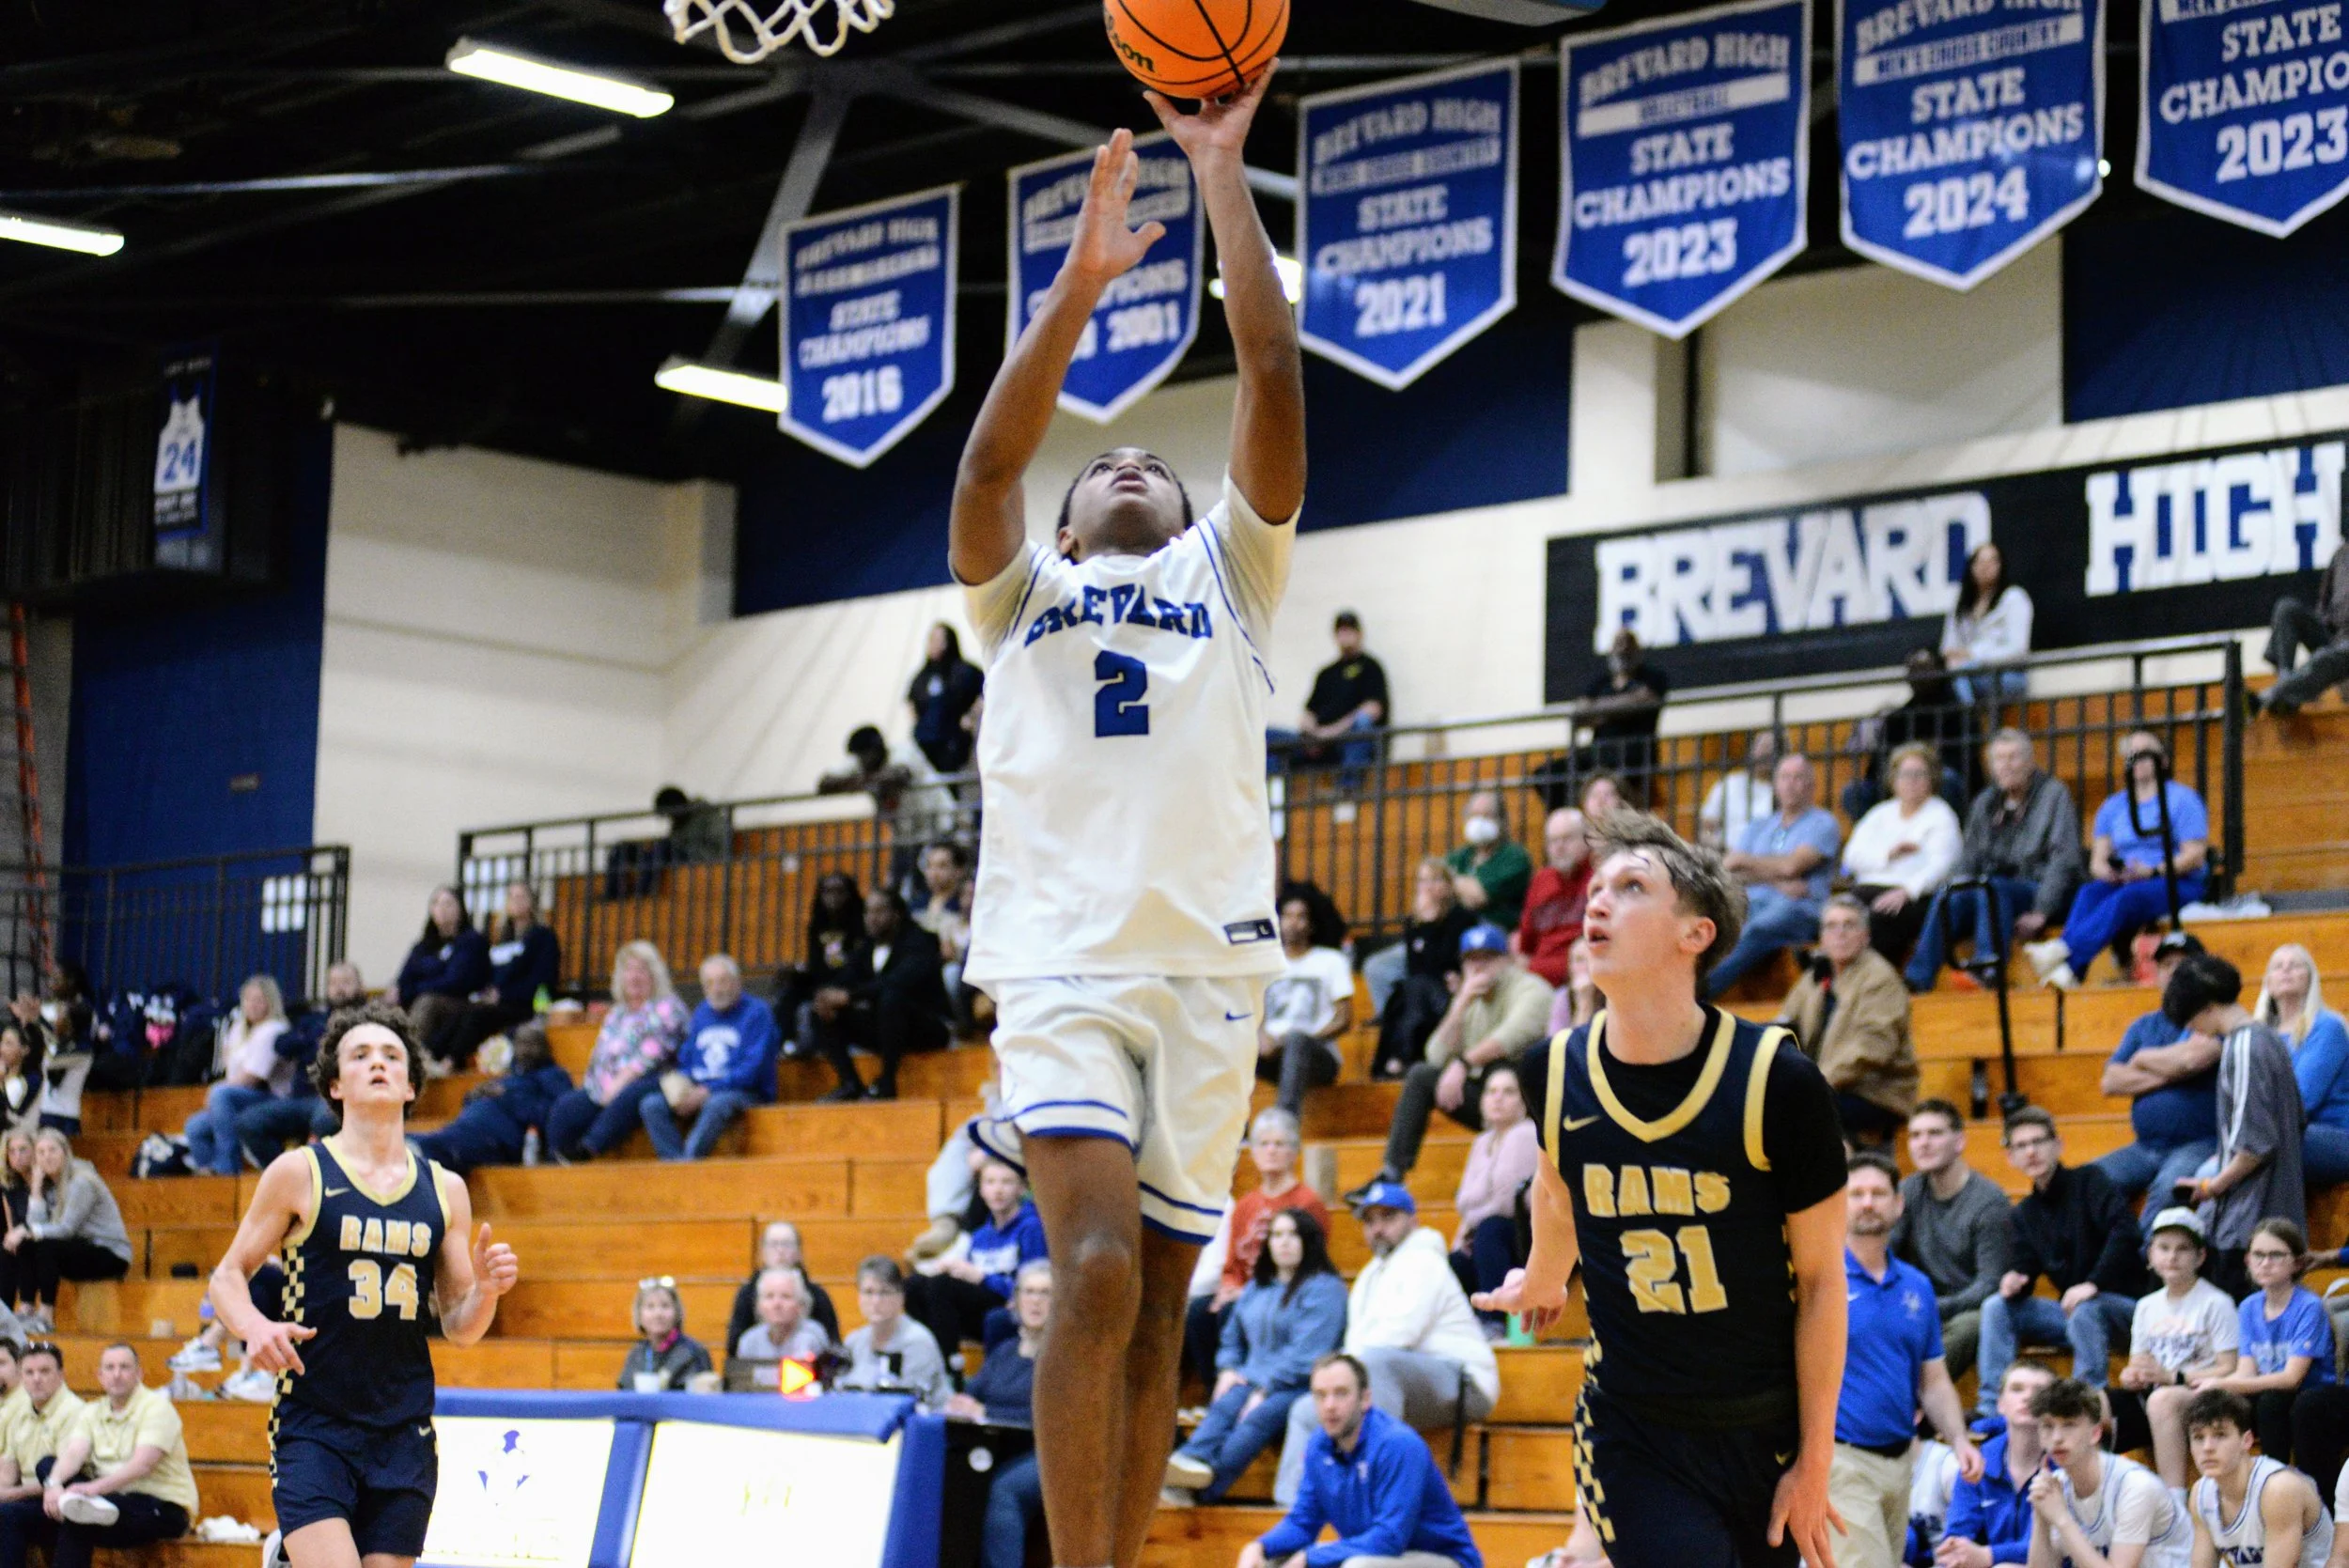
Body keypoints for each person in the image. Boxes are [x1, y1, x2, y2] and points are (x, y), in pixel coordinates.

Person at [950, 82, 1304, 1568]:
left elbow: (1269, 369)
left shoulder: (1234, 575)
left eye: (1156, 460)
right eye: (1103, 464)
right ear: (1067, 522)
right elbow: (986, 469)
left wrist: (1221, 170)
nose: (1132, 462)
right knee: (1092, 1269)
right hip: (1061, 964)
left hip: (1213, 970)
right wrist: (1081, 289)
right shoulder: (1016, 593)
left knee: (1159, 1312)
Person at [1485, 809, 1851, 1568]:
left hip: (1763, 1427)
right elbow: (1557, 1192)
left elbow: (1821, 1282)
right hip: (1634, 1429)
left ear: (1696, 933)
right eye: (1597, 887)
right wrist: (1544, 1276)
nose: (1598, 900)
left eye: (1632, 886)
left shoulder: (1777, 1082)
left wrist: (1815, 1462)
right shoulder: (1553, 1070)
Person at [209, 1001, 520, 1568]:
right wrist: (253, 1326)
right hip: (314, 1421)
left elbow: (460, 1326)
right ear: (335, 1084)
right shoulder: (299, 1172)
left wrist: (487, 1292)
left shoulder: (445, 1189)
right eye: (360, 1055)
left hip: (403, 1429)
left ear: (411, 1085)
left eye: (392, 1055)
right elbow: (228, 1275)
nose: (378, 1063)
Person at [1274, 1184, 1498, 1506]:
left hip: (1465, 1382)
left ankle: (1374, 1494)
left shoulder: (1426, 1262)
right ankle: (1290, 1509)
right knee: (1305, 1409)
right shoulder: (1368, 1275)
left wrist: (1347, 1381)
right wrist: (1336, 1388)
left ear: (1413, 1221)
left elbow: (1401, 1335)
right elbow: (1356, 1345)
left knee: (1376, 1365)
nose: (1378, 1228)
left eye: (1388, 1217)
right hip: (1400, 1381)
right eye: (1370, 1221)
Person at [1835, 1153, 1983, 1568]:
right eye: (1856, 1194)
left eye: (1878, 1193)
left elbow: (1932, 1380)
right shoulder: (1819, 1279)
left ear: (1898, 1204)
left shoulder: (1916, 1286)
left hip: (1902, 1461)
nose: (1868, 1203)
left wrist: (1958, 1439)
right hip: (1840, 1457)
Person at [1348, 924, 1552, 1202]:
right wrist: (1460, 1004)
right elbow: (1435, 1055)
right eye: (1471, 960)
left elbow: (1512, 1037)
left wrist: (1462, 1064)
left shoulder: (1531, 988)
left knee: (1499, 1070)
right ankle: (1391, 1174)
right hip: (1491, 1098)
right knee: (1422, 1075)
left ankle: (1498, 1174)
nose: (1479, 967)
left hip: (1532, 1104)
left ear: (1507, 960)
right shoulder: (1472, 999)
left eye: (1488, 958)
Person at [1163, 1208, 1346, 1504]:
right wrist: (1227, 1368)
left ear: (1309, 1241)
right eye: (1277, 1235)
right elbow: (1232, 1336)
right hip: (1251, 1377)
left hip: (1299, 1384)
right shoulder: (1257, 1287)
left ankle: (1201, 1492)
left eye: (1293, 1235)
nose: (1284, 1242)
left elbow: (1309, 1353)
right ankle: (1184, 1467)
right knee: (1225, 1406)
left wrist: (1265, 1389)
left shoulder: (1326, 1289)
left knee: (1255, 1419)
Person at [1976, 1108, 2146, 1415]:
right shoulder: (2024, 1213)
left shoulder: (2090, 1181)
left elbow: (2126, 1232)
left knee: (2085, 1309)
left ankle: (2083, 1405)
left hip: (2124, 1309)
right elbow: (2027, 1265)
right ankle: (1991, 1410)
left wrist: (2094, 1284)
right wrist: (2016, 1279)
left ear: (2058, 1145)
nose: (2031, 1152)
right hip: (2074, 1314)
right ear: (2010, 1157)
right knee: (1996, 1307)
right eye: (2021, 1146)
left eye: (2038, 1141)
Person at [1249, 1353, 1485, 1568]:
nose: (1329, 1405)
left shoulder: (1397, 1444)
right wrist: (1260, 1546)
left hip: (1445, 1559)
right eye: (1320, 1395)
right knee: (1274, 1561)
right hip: (1380, 1555)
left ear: (1365, 1399)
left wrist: (1310, 1558)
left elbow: (1389, 1539)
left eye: (1341, 1393)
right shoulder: (1318, 1446)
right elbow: (1303, 1522)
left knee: (1358, 1566)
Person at [2023, 732, 2209, 991]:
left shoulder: (2183, 799)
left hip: (2175, 880)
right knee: (2089, 892)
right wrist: (2110, 873)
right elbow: (2097, 862)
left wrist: (2153, 871)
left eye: (2146, 754)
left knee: (2126, 898)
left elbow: (2194, 855)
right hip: (2128, 879)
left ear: (2163, 760)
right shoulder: (2113, 806)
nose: (2138, 761)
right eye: (2132, 755)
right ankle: (2070, 969)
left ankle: (2066, 953)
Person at [1905, 729, 2082, 993]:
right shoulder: (1985, 802)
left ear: (2030, 762)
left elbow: (2064, 859)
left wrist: (2042, 910)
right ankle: (1917, 978)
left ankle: (1988, 968)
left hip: (2039, 889)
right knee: (1948, 894)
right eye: (2000, 759)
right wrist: (1957, 888)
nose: (2006, 765)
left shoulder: (2054, 794)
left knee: (1992, 887)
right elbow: (1969, 858)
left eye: (2013, 757)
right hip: (1992, 890)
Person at [2169, 954, 2305, 1295]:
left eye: (2190, 1018)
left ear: (2207, 1006)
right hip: (2275, 1223)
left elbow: (2254, 1146)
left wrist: (2211, 1186)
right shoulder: (2270, 1038)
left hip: (2251, 1226)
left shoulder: (2244, 1046)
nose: (2190, 1029)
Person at [5, 1341, 189, 1568]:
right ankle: (88, 1504)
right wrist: (53, 1484)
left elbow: (142, 1465)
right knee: (53, 1473)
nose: (117, 1374)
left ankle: (89, 1504)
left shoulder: (157, 1408)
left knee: (81, 1514)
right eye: (110, 1368)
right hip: (110, 1501)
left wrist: (93, 1490)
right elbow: (74, 1453)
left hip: (160, 1506)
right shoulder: (93, 1411)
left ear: (139, 1374)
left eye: (124, 1367)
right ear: (100, 1376)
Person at [1183, 1109, 1330, 1391]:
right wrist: (1229, 1286)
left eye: (1280, 1144)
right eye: (1263, 1144)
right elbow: (1232, 1265)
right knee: (1200, 1313)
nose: (1271, 1150)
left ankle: (1246, 1389)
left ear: (1294, 1152)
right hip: (1244, 1291)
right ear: (1253, 1152)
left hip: (1287, 1291)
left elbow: (1313, 1262)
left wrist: (1249, 1292)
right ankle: (1217, 1391)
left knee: (1232, 1312)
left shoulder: (1307, 1203)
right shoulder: (1245, 1205)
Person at [2092, 932, 2222, 1232]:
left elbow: (2192, 1060)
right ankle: (2115, 1254)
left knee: (2168, 1189)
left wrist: (2141, 1059)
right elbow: (2111, 1082)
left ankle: (2146, 1261)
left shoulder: (2213, 1017)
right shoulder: (2144, 1025)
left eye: (2182, 963)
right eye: (2166, 965)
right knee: (2088, 1182)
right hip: (2145, 1146)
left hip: (2199, 1144)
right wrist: (2172, 1070)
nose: (2174, 972)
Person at [1775, 895, 1919, 1148]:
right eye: (1831, 926)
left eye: (1849, 925)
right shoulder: (1814, 977)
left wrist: (1815, 1084)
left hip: (1876, 1094)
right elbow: (1784, 1025)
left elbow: (1873, 1047)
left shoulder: (1880, 979)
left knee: (1798, 1115)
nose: (1840, 934)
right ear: (1822, 937)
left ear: (1866, 935)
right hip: (1826, 1088)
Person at [1892, 1099, 2014, 1384]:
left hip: (1965, 1310)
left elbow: (1990, 1284)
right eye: (1915, 1135)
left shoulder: (1989, 1203)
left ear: (1959, 1142)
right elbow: (1886, 1255)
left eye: (1934, 1133)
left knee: (1974, 1324)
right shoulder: (1907, 1191)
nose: (1923, 1143)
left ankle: (1911, 1392)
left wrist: (1933, 1307)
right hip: (1919, 1305)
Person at [1708, 753, 1843, 996]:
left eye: (1798, 777)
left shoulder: (1823, 823)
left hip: (1799, 909)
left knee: (1760, 926)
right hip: (1752, 902)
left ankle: (1700, 989)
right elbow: (1729, 869)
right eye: (1784, 777)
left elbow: (1791, 867)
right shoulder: (1758, 825)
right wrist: (1777, 880)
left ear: (1811, 785)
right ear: (1775, 784)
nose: (1790, 784)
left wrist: (1746, 861)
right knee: (1713, 920)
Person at [2124, 1208, 2241, 1490]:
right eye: (2164, 1248)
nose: (2172, 1256)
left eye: (2183, 1249)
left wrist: (2174, 1377)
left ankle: (2174, 1498)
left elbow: (2230, 1367)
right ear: (2151, 1255)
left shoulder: (2217, 1303)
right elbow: (2138, 1361)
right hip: (2156, 1392)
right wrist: (2132, 1375)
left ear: (2200, 1257)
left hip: (2205, 1393)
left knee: (2162, 1400)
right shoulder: (2146, 1306)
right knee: (2094, 1405)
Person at [2024, 1376, 2191, 1568]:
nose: (2057, 1438)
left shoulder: (2135, 1486)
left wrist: (2061, 1518)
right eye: (2047, 1426)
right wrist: (2041, 1519)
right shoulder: (2057, 1485)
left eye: (2069, 1425)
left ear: (2095, 1433)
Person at [542, 940, 687, 1161]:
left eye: (641, 970)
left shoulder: (668, 1007)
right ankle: (555, 1167)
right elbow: (599, 1056)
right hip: (605, 1088)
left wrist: (617, 1085)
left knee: (629, 1094)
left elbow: (650, 1056)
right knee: (565, 1107)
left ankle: (588, 1148)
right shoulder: (617, 1013)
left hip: (650, 1081)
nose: (634, 977)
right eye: (629, 970)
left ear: (654, 975)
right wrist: (595, 1088)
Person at [945, 1262, 1050, 1568]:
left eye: (1045, 1293)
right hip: (1001, 1446)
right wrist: (960, 1403)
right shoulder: (1005, 1351)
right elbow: (973, 1394)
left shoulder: (1064, 1357)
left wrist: (985, 1411)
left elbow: (1051, 1417)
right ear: (1016, 1299)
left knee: (1002, 1491)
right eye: (1029, 1292)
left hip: (1049, 1453)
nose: (1035, 1300)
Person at [811, 889, 950, 1103]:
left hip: (927, 1027)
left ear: (896, 914)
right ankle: (850, 1083)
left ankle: (887, 1082)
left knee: (891, 998)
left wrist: (849, 996)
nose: (871, 918)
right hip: (888, 1029)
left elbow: (898, 981)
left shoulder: (921, 940)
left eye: (879, 911)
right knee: (821, 1010)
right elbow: (846, 978)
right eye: (868, 912)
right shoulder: (867, 947)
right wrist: (827, 994)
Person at [903, 1159, 1047, 1355]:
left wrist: (981, 1277)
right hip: (980, 1306)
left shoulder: (1031, 1228)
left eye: (1006, 1182)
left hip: (1010, 1303)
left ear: (1022, 1188)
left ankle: (949, 1365)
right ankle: (927, 1358)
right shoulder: (979, 1236)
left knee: (941, 1285)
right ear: (981, 1190)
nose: (998, 1190)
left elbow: (1034, 1283)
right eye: (990, 1182)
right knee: (914, 1285)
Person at [640, 955, 777, 1159]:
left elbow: (752, 1070)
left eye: (723, 981)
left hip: (744, 1091)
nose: (717, 989)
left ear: (737, 982)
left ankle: (688, 1166)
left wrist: (707, 1091)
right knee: (651, 1105)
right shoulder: (702, 1013)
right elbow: (687, 1060)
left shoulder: (757, 1012)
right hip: (700, 1088)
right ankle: (675, 1164)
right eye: (709, 983)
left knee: (717, 1103)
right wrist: (682, 1089)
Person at [232, 962, 367, 1169]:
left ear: (360, 986)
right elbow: (281, 1045)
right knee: (248, 1122)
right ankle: (285, 1172)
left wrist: (312, 1041)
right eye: (333, 983)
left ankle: (317, 1173)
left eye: (346, 982)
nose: (339, 989)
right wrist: (313, 1039)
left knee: (325, 1120)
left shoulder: (369, 1021)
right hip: (300, 1099)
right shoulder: (313, 1020)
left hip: (339, 1098)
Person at [1843, 745, 1965, 968]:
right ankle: (1830, 967)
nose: (1912, 781)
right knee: (1839, 913)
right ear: (1894, 779)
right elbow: (1852, 857)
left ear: (1932, 779)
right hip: (1867, 890)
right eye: (1905, 774)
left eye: (1919, 774)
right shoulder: (1880, 813)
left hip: (1916, 897)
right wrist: (1888, 854)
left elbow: (1943, 866)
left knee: (1878, 920)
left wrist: (1907, 890)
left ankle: (1863, 975)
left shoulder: (1941, 815)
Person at [2184, 1389, 2334, 1568]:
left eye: (2220, 1435)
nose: (2207, 1447)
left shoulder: (2279, 1489)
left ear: (2246, 1440)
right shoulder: (2200, 1494)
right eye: (2198, 1437)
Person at [0, 1133, 130, 1335]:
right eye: (41, 1152)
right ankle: (26, 1309)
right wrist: (36, 1189)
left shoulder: (81, 1181)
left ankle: (46, 1317)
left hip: (110, 1254)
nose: (47, 1157)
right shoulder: (51, 1184)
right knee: (25, 1244)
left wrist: (26, 1230)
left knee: (45, 1245)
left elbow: (66, 1229)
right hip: (80, 1250)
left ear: (66, 1152)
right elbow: (38, 1225)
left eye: (53, 1150)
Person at [406, 1020, 571, 1175]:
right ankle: (409, 1149)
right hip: (467, 1127)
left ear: (546, 1048)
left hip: (499, 1140)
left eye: (532, 1043)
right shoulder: (510, 1077)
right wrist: (475, 1094)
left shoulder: (554, 1076)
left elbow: (557, 1115)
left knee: (439, 1146)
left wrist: (507, 1096)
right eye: (520, 1043)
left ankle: (415, 1151)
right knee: (438, 1138)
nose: (525, 1050)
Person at [1367, 859, 1479, 1081]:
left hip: (1450, 994)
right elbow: (1416, 967)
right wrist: (1424, 923)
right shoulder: (1414, 922)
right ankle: (1395, 1061)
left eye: (1435, 880)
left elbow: (1446, 961)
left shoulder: (1462, 918)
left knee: (1413, 989)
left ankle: (1398, 1059)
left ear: (1448, 885)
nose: (1428, 887)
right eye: (1423, 881)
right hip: (1423, 993)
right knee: (1403, 993)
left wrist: (1429, 925)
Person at [1937, 1360, 2057, 1568]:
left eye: (2039, 1391)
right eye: (2017, 1389)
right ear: (2000, 1404)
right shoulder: (1980, 1462)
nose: (2027, 1397)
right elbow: (1957, 1534)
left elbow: (2058, 1546)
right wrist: (1956, 1552)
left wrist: (1989, 1555)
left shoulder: (2066, 1463)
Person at [817, 726, 959, 896]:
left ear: (878, 749)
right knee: (894, 887)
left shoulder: (903, 751)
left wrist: (855, 783)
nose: (864, 761)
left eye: (867, 755)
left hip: (940, 824)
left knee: (929, 881)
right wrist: (869, 780)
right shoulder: (859, 762)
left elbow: (899, 776)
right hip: (905, 836)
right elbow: (824, 785)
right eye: (860, 757)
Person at [1450, 1063, 1540, 1329]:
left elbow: (1505, 1203)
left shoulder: (1525, 1134)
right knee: (1456, 1259)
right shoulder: (1482, 1141)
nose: (1498, 1098)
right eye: (1491, 1091)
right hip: (1492, 1232)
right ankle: (1468, 1324)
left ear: (1523, 1102)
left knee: (1490, 1230)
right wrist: (1461, 1239)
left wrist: (1473, 1222)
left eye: (1509, 1092)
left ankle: (1495, 1320)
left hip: (1529, 1237)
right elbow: (1463, 1201)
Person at [440, 881, 562, 1069]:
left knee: (477, 1015)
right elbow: (489, 975)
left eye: (521, 897)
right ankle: (431, 1056)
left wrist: (503, 995)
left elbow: (542, 981)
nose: (516, 901)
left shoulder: (543, 937)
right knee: (460, 1010)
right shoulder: (502, 938)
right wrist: (486, 992)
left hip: (524, 1004)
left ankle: (450, 1062)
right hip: (497, 1001)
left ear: (532, 902)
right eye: (511, 897)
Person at [181, 975, 292, 1175]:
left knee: (221, 1094)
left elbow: (251, 1079)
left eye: (259, 1000)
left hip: (272, 1098)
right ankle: (210, 1178)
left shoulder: (274, 1029)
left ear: (271, 1002)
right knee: (194, 1127)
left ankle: (227, 1166)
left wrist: (217, 1090)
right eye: (248, 999)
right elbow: (230, 1072)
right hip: (241, 1098)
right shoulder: (238, 1029)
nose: (252, 1005)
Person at [1256, 893, 1355, 1116]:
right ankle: (1236, 1130)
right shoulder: (1265, 964)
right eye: (1287, 916)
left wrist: (1305, 1039)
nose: (1293, 922)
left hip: (1319, 1056)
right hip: (1273, 1053)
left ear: (1311, 925)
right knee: (1234, 1046)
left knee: (1296, 1041)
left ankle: (1285, 1123)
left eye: (1301, 917)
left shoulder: (1331, 961)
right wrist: (1262, 1036)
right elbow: (1253, 1011)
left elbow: (1344, 1019)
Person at [2259, 944, 2349, 1187]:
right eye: (2278, 966)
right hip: (2278, 1130)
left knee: (2267, 1146)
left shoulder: (2327, 1027)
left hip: (2332, 1134)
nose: (2286, 970)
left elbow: (2300, 1099)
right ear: (2268, 983)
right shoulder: (2259, 1034)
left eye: (2295, 965)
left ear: (2310, 979)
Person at [1276, 610, 1389, 784]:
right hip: (1319, 744)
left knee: (1362, 724)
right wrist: (1312, 735)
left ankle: (1349, 789)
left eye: (1349, 630)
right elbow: (1308, 713)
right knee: (1269, 736)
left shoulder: (1370, 667)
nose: (1345, 635)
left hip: (1348, 742)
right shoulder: (1326, 673)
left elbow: (1372, 710)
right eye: (1341, 630)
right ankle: (1265, 796)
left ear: (1359, 634)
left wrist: (1331, 733)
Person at [1565, 628, 1671, 805]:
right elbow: (1579, 715)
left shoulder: (1653, 676)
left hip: (1635, 754)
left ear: (1637, 649)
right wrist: (1624, 708)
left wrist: (1598, 711)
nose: (1622, 649)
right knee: (1550, 772)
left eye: (1628, 643)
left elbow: (1646, 699)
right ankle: (1570, 818)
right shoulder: (1601, 682)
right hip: (1599, 754)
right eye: (1618, 644)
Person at [389, 885, 490, 1065]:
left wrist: (416, 988)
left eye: (448, 904)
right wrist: (404, 989)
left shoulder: (471, 941)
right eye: (436, 903)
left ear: (460, 909)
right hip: (421, 997)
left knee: (427, 1002)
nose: (442, 909)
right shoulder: (423, 946)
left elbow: (454, 981)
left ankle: (408, 1059)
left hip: (460, 1002)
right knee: (384, 1004)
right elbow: (404, 978)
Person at [2249, 537, 2349, 719]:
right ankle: (2286, 686)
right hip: (2337, 640)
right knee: (2286, 609)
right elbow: (2323, 603)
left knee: (2324, 658)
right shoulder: (2342, 554)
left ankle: (2266, 698)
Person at [837, 1257, 954, 1410]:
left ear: (900, 1297)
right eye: (868, 1292)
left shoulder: (918, 1342)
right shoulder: (854, 1341)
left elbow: (908, 1401)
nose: (876, 1301)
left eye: (884, 1292)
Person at [0, 1343, 80, 1556]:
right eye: (29, 1372)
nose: (36, 1379)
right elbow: (7, 1475)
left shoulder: (74, 1412)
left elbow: (64, 1479)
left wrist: (11, 1494)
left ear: (61, 1375)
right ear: (21, 1377)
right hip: (27, 1500)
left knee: (6, 1514)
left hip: (62, 1502)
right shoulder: (19, 1412)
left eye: (45, 1371)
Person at [777, 873, 866, 1057]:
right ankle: (786, 1043)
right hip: (822, 982)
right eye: (827, 892)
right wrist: (797, 973)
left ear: (850, 894)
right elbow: (816, 964)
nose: (833, 897)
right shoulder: (817, 925)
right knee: (790, 990)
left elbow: (859, 965)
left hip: (851, 984)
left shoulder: (861, 924)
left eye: (839, 891)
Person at [1942, 542, 2033, 706]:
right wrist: (1958, 658)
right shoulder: (1960, 605)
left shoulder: (2014, 598)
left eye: (1992, 561)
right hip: (1966, 675)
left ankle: (1969, 719)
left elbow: (2018, 650)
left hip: (2008, 675)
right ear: (1971, 567)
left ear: (2001, 565)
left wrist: (1973, 656)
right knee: (1946, 677)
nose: (1986, 567)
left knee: (1960, 675)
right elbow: (1948, 648)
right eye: (1980, 562)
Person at [724, 1222, 840, 1350]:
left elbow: (833, 1344)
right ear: (763, 1251)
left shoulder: (817, 1295)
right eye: (773, 1244)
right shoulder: (747, 1294)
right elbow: (734, 1346)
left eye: (787, 1244)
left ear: (799, 1252)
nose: (780, 1250)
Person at [1518, 809, 1593, 988]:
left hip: (1583, 978)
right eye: (1553, 841)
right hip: (1538, 981)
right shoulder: (1541, 880)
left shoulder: (1599, 875)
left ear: (1587, 840)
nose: (1559, 847)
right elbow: (1525, 947)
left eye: (1567, 839)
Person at [911, 841, 978, 1032]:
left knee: (950, 974)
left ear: (959, 870)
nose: (934, 873)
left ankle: (960, 1026)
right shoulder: (916, 905)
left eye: (942, 866)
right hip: (922, 965)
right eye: (930, 866)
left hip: (953, 970)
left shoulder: (964, 904)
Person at [1447, 790, 1534, 932]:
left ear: (1501, 820)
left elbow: (1479, 896)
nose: (1480, 822)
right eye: (1475, 815)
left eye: (1487, 815)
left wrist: (1453, 880)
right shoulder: (1458, 857)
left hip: (1499, 932)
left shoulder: (1515, 857)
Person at [909, 622, 986, 777]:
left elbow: (984, 694)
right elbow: (911, 702)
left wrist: (971, 717)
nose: (933, 645)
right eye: (931, 640)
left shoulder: (966, 671)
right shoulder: (922, 676)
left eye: (938, 640)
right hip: (927, 745)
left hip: (959, 744)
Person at [616, 1279, 711, 1392]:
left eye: (665, 1306)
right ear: (639, 1315)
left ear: (677, 1312)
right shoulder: (637, 1354)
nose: (658, 1314)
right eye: (650, 1307)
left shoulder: (693, 1352)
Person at [1699, 731, 1778, 852]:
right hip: (1724, 855)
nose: (1766, 753)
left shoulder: (1782, 791)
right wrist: (1726, 850)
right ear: (1752, 751)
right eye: (1763, 747)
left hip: (1764, 858)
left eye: (1772, 748)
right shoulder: (1729, 783)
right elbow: (1705, 831)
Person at [733, 1267, 830, 1363]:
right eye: (769, 1296)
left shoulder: (813, 1337)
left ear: (800, 1305)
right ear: (758, 1305)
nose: (777, 1304)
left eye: (786, 1296)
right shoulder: (749, 1341)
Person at [1548, 936, 1599, 1038]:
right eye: (1579, 960)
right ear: (1569, 967)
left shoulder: (1613, 995)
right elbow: (1557, 1042)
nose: (1586, 966)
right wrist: (1583, 1003)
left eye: (1592, 958)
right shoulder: (1563, 997)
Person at [0, 1029, 37, 1139]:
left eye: (9, 1044)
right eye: (1, 1042)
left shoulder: (25, 1082)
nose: (2, 1049)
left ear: (25, 1050)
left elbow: (8, 1115)